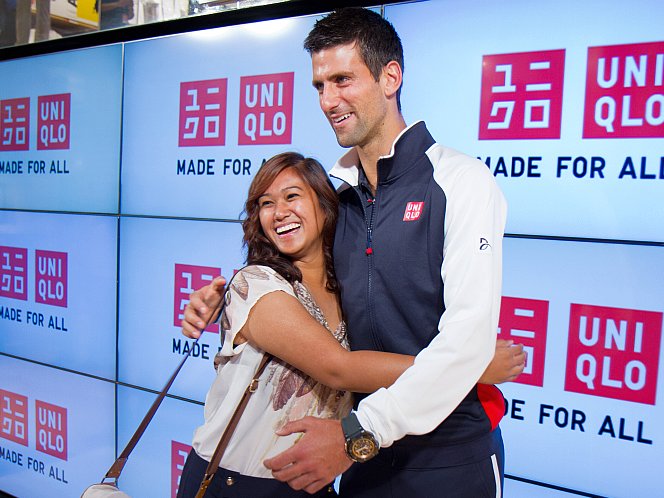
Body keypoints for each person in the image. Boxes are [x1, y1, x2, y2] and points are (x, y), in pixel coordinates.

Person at [182, 8, 525, 497]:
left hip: (444, 454)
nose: (329, 100)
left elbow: (466, 341)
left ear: (390, 77)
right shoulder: (338, 198)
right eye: (320, 85)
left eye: (343, 80)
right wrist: (219, 298)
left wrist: (357, 435)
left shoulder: (461, 182)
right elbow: (293, 278)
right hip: (358, 458)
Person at [177, 151, 417, 497]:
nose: (279, 212)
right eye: (266, 203)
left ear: (324, 206)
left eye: (292, 196)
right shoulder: (255, 283)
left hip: (314, 485)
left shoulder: (352, 292)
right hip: (235, 485)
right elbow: (338, 369)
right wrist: (462, 366)